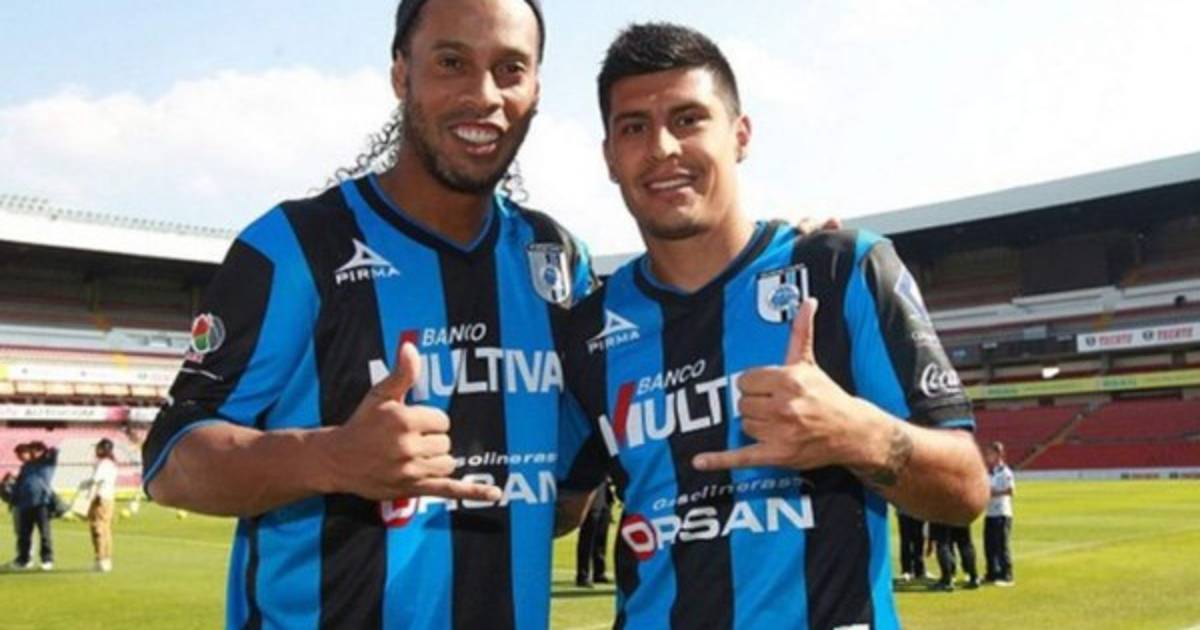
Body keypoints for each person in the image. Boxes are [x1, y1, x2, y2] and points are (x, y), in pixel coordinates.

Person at [139, 1, 599, 628]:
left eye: (510, 69)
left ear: (536, 89)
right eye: (452, 63)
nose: (484, 94)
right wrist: (330, 457)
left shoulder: (558, 261)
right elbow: (171, 462)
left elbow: (565, 499)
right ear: (401, 73)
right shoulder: (296, 248)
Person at [556, 22, 990, 628]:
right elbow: (556, 507)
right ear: (609, 156)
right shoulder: (587, 331)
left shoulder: (843, 272)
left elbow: (967, 490)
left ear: (740, 134)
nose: (662, 147)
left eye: (688, 118)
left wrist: (856, 435)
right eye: (634, 128)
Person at [11, 441, 58, 571]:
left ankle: (47, 559)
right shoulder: (26, 466)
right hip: (25, 504)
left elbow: (55, 451)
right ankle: (23, 559)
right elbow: (19, 484)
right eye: (31, 450)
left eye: (35, 450)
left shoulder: (47, 463)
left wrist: (44, 451)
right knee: (24, 535)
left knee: (44, 533)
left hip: (41, 503)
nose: (32, 453)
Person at [85, 438, 119, 573]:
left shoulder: (103, 464)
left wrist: (88, 495)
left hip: (100, 498)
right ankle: (106, 559)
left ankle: (101, 559)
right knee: (106, 529)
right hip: (109, 498)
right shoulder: (111, 464)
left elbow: (96, 481)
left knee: (98, 528)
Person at [983, 441, 1015, 586]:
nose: (987, 456)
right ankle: (991, 573)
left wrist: (994, 493)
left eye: (990, 453)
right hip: (990, 513)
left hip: (1002, 513)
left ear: (998, 454)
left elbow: (1011, 491)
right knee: (989, 545)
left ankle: (1007, 575)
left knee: (1002, 545)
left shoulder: (1005, 472)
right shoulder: (989, 472)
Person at [574, 479, 613, 587]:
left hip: (604, 492)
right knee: (588, 536)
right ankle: (583, 575)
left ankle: (599, 572)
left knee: (601, 535)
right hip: (592, 492)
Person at [927, 522, 978, 591]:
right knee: (965, 543)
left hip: (943, 518)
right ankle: (974, 577)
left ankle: (947, 580)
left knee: (943, 543)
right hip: (961, 517)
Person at [896, 509, 928, 582]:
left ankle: (920, 571)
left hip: (919, 512)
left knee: (919, 540)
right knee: (906, 541)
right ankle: (907, 570)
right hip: (904, 512)